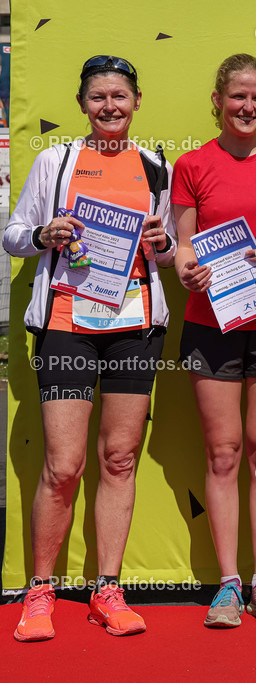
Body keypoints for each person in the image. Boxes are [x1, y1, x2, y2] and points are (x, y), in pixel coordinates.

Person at [4, 55, 175, 641]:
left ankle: (108, 589)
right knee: (63, 466)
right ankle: (40, 592)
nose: (109, 106)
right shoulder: (56, 160)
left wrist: (164, 242)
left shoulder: (156, 165)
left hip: (134, 326)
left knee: (119, 460)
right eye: (98, 97)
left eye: (119, 96)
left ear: (136, 101)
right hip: (69, 323)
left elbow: (168, 247)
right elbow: (12, 236)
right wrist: (42, 234)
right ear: (83, 104)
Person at [172, 53, 256, 628]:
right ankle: (228, 584)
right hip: (211, 322)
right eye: (237, 97)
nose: (248, 107)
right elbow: (181, 247)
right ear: (218, 100)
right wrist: (186, 268)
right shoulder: (191, 164)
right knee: (223, 452)